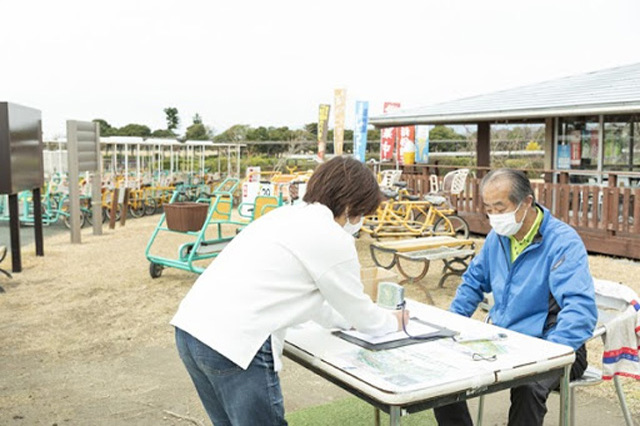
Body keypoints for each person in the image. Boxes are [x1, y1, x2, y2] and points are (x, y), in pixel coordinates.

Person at [171, 156, 409, 426]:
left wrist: (347, 322)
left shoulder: (284, 215)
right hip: (235, 342)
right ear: (350, 204)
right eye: (361, 212)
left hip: (191, 329)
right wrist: (393, 322)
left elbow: (321, 303)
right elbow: (359, 310)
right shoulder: (331, 236)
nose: (359, 220)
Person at [433, 168, 598, 426]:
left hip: (556, 345)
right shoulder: (496, 238)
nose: (494, 217)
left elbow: (580, 310)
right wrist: (453, 324)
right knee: (444, 370)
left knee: (528, 386)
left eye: (500, 208)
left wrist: (549, 353)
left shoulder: (562, 242)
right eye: (488, 208)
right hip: (507, 339)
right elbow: (472, 283)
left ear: (526, 203)